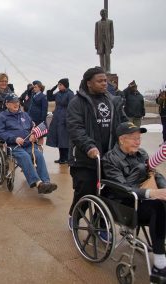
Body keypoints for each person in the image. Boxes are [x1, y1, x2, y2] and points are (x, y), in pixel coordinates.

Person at [102, 122, 166, 277]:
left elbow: (155, 175)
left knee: (162, 204)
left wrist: (163, 188)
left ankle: (159, 248)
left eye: (139, 138)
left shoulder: (142, 154)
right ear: (122, 139)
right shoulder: (110, 159)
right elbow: (122, 189)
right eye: (133, 138)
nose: (138, 141)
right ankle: (159, 264)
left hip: (144, 199)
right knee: (158, 208)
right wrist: (152, 193)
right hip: (124, 204)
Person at [67, 66, 127, 230]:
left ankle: (100, 225)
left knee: (109, 193)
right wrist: (89, 147)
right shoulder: (77, 103)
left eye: (105, 81)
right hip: (84, 158)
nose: (104, 84)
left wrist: (131, 134)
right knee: (86, 190)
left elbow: (122, 123)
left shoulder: (112, 101)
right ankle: (75, 215)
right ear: (89, 83)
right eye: (100, 81)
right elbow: (75, 128)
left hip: (109, 157)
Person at [0, 94, 57, 194]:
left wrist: (33, 134)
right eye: (13, 102)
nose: (16, 104)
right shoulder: (1, 117)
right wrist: (14, 138)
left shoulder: (24, 115)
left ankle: (46, 182)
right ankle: (38, 183)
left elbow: (32, 127)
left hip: (28, 144)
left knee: (39, 155)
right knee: (24, 156)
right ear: (7, 104)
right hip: (13, 146)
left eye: (17, 102)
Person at [46, 78, 74, 164]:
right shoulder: (58, 93)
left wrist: (69, 119)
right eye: (58, 85)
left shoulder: (70, 94)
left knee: (64, 139)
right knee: (58, 138)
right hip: (57, 118)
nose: (59, 86)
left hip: (65, 118)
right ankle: (61, 157)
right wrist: (53, 88)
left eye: (60, 85)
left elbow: (72, 107)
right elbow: (50, 97)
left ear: (65, 85)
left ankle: (66, 158)